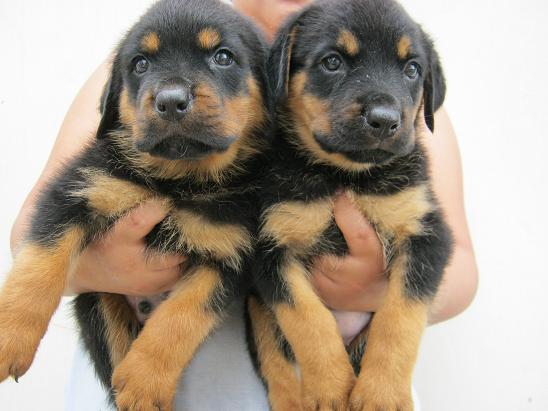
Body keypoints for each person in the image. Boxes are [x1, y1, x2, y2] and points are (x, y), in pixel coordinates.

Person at [9, 0, 478, 409]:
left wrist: (367, 292)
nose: (170, 92)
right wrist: (100, 269)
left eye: (223, 58)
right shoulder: (124, 70)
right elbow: (33, 228)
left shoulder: (404, 105)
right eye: (332, 63)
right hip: (132, 380)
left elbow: (456, 264)